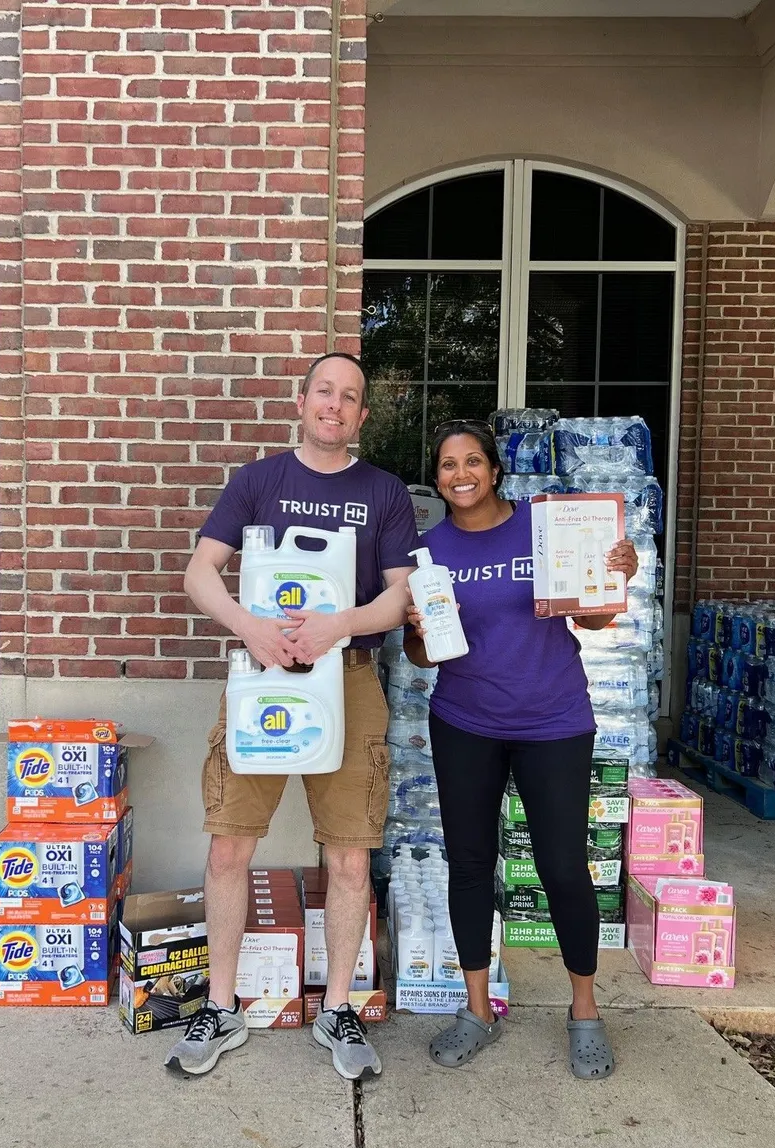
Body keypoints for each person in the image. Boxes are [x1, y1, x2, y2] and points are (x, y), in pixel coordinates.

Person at [165, 352, 418, 1081]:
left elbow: (402, 596)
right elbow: (199, 572)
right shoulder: (258, 481)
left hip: (351, 679)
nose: (334, 406)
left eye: (350, 398)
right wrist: (249, 626)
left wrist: (340, 623)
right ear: (302, 400)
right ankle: (221, 1005)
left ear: (362, 415)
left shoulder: (384, 492)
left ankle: (336, 1006)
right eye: (324, 392)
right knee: (227, 849)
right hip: (261, 680)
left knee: (348, 855)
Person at [403, 419, 638, 1079]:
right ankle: (477, 1009)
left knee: (564, 867)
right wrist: (417, 630)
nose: (460, 475)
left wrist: (619, 572)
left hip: (554, 720)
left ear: (495, 470)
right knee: (472, 865)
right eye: (447, 465)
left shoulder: (546, 526)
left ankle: (585, 1011)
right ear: (440, 478)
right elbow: (421, 655)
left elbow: (590, 614)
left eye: (471, 461)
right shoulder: (429, 550)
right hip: (465, 722)